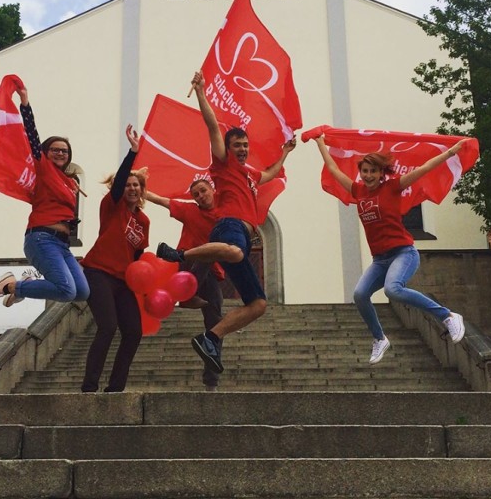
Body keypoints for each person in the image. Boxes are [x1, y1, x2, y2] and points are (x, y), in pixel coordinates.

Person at [157, 70, 296, 374]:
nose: (243, 149)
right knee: (232, 252)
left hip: (245, 238)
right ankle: (180, 255)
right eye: (238, 146)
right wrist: (203, 95)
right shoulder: (223, 163)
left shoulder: (250, 174)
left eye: (245, 145)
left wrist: (284, 153)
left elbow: (270, 174)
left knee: (258, 304)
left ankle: (211, 337)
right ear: (229, 149)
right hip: (229, 226)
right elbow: (212, 130)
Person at [312, 134, 467, 364]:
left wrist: (450, 152)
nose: (368, 176)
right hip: (380, 259)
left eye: (372, 171)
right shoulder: (358, 191)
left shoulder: (393, 186)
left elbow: (424, 168)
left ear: (381, 173)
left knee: (393, 289)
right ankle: (379, 338)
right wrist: (320, 143)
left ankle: (448, 316)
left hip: (403, 252)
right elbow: (334, 169)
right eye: (364, 171)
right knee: (360, 294)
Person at [0, 84, 89, 307]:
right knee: (66, 290)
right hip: (42, 237)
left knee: (81, 292)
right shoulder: (43, 167)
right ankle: (12, 286)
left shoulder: (70, 181)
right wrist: (25, 103)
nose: (60, 153)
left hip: (62, 243)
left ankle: (26, 284)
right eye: (55, 149)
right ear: (46, 153)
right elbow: (31, 134)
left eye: (65, 151)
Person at [80, 125, 150, 393]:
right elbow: (120, 181)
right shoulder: (112, 205)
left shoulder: (143, 220)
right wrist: (132, 153)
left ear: (142, 191)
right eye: (129, 185)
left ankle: (116, 388)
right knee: (107, 327)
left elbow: (137, 256)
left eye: (137, 185)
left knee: (133, 332)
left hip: (123, 281)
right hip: (98, 273)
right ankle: (89, 386)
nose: (132, 188)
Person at [147, 178, 225, 391]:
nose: (201, 196)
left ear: (212, 189)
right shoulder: (190, 211)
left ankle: (211, 381)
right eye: (196, 194)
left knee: (216, 323)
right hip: (185, 267)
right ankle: (187, 295)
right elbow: (160, 200)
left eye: (203, 191)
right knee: (206, 251)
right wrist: (134, 185)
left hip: (209, 272)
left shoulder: (226, 213)